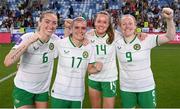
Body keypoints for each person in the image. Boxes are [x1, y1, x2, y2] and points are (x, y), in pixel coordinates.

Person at [115, 8, 175, 108]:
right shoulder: (116, 42)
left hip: (146, 86)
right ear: (120, 27)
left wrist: (169, 20)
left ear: (135, 26)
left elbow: (170, 37)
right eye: (124, 24)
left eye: (130, 23)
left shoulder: (146, 39)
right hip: (126, 88)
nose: (127, 26)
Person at [4, 10, 59, 108]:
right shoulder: (27, 37)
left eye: (54, 23)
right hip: (23, 89)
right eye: (47, 21)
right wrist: (29, 42)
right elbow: (7, 62)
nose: (51, 25)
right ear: (39, 22)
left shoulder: (56, 40)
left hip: (43, 91)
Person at [50, 17, 103, 108]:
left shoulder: (90, 47)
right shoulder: (60, 44)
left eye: (83, 28)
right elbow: (47, 57)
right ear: (71, 29)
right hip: (59, 93)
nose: (80, 30)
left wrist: (97, 69)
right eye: (77, 27)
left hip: (77, 95)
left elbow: (89, 70)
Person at [85, 11, 120, 108]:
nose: (101, 24)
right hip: (93, 77)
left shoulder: (115, 35)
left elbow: (129, 35)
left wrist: (139, 34)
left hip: (109, 78)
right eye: (99, 21)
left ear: (108, 24)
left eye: (105, 22)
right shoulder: (88, 35)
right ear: (94, 22)